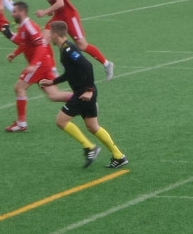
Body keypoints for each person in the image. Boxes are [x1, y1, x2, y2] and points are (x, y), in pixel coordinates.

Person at [39, 21, 128, 169]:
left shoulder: (68, 50)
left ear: (55, 34)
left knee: (61, 121)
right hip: (84, 93)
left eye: (50, 34)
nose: (48, 37)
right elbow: (70, 73)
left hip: (83, 94)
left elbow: (87, 65)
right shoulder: (64, 50)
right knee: (93, 127)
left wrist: (89, 90)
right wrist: (52, 82)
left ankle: (89, 147)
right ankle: (119, 156)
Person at [30, 0, 114, 81]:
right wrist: (51, 11)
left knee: (82, 45)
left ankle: (106, 64)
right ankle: (52, 70)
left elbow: (61, 3)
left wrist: (45, 11)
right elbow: (55, 2)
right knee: (44, 40)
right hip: (59, 15)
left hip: (69, 16)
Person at [4, 1, 68, 132]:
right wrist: (14, 54)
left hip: (39, 64)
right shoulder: (23, 26)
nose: (12, 14)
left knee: (19, 87)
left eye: (14, 11)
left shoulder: (29, 26)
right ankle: (82, 99)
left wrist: (33, 65)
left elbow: (41, 45)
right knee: (53, 95)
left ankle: (21, 124)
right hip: (44, 63)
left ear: (22, 12)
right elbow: (24, 44)